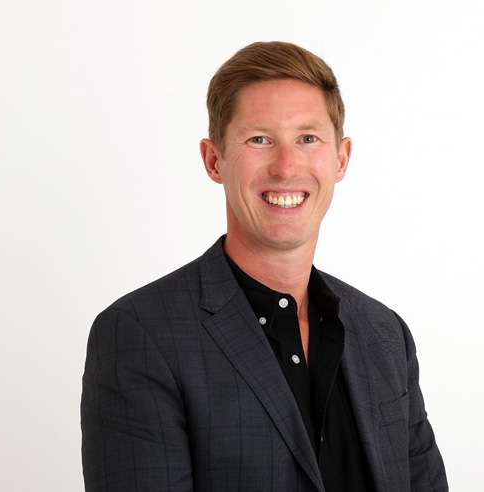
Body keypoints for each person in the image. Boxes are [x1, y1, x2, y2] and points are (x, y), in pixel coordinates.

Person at [81, 41, 448, 492]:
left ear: (341, 158)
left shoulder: (385, 335)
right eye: (260, 140)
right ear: (214, 160)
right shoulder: (140, 335)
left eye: (307, 138)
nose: (286, 165)